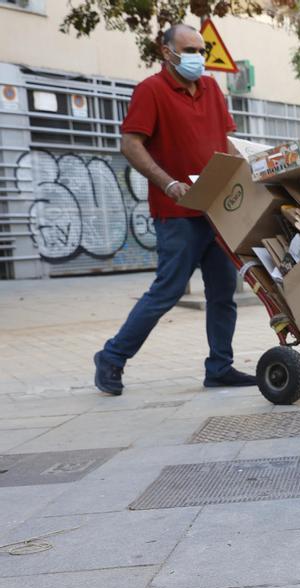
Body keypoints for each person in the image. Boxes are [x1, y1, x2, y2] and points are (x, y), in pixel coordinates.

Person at [93, 24, 255, 395]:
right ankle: (112, 357)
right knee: (165, 293)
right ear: (167, 52)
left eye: (202, 50)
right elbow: (130, 144)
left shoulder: (212, 89)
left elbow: (226, 141)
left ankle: (220, 366)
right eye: (191, 50)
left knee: (222, 293)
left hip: (215, 210)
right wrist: (168, 182)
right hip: (176, 213)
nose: (199, 57)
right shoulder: (150, 91)